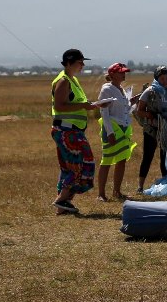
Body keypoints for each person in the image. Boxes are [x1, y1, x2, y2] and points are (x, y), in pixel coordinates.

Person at [50, 49, 100, 214]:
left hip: (73, 131)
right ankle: (61, 200)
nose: (83, 65)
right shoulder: (63, 81)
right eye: (80, 62)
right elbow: (59, 105)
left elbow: (76, 102)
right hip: (66, 131)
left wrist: (92, 105)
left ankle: (63, 205)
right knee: (81, 165)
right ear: (70, 62)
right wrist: (84, 106)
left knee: (69, 167)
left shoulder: (73, 80)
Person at [96, 62, 138, 201]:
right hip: (113, 128)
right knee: (107, 160)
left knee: (121, 160)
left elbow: (124, 107)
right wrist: (110, 132)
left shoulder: (120, 89)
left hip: (124, 127)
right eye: (121, 72)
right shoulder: (107, 89)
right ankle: (101, 194)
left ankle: (117, 191)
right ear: (112, 74)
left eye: (124, 72)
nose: (124, 74)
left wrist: (133, 100)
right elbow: (104, 111)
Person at [135, 66, 167, 193]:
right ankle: (140, 186)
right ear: (157, 78)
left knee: (165, 155)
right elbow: (139, 110)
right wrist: (150, 116)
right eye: (162, 78)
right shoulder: (150, 91)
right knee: (148, 156)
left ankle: (166, 181)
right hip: (152, 128)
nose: (165, 81)